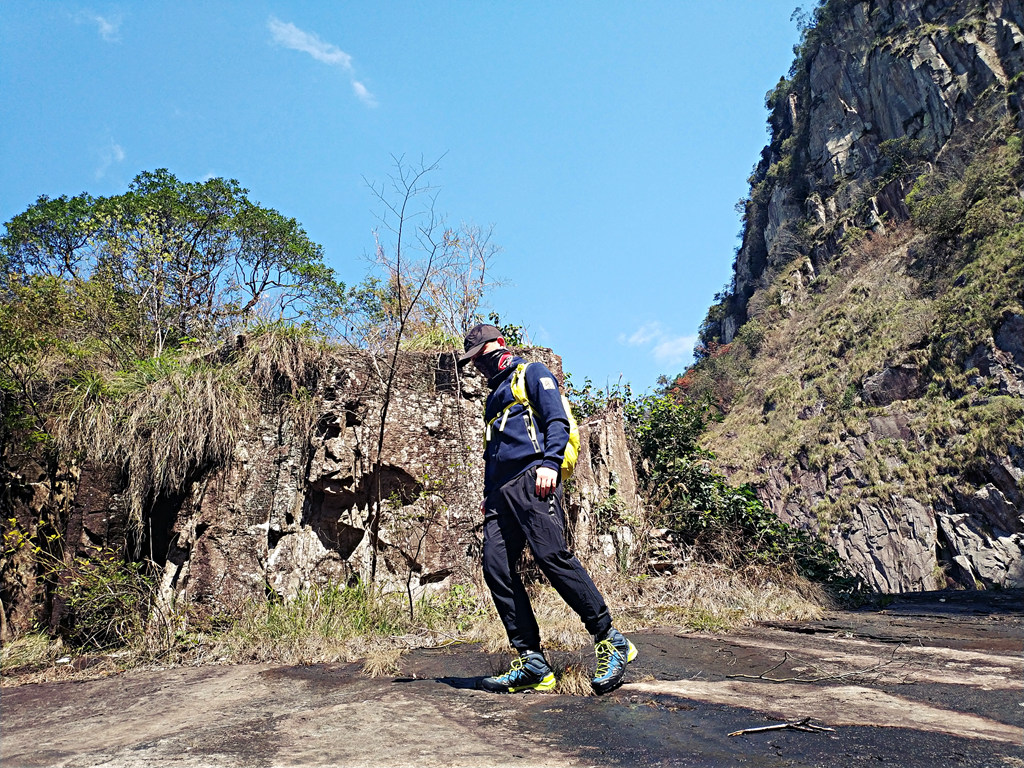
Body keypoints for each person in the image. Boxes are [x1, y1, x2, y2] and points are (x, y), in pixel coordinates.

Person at [457, 323, 637, 695]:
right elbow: (494, 452)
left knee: (552, 555)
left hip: (533, 476)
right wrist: (489, 492)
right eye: (474, 362)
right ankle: (533, 663)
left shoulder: (531, 372)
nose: (479, 366)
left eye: (481, 357)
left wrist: (551, 463)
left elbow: (557, 420)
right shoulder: (493, 397)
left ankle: (610, 639)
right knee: (496, 567)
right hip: (501, 494)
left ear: (498, 346)